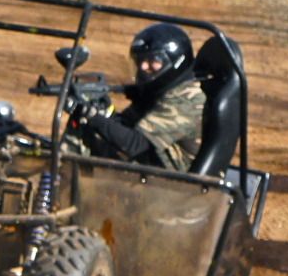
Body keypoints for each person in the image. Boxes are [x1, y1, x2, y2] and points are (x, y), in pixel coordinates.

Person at [75, 23, 206, 171]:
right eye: (141, 60)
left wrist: (93, 117)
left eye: (154, 60)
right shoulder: (164, 90)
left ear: (176, 61)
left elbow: (136, 144)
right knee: (91, 134)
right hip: (153, 165)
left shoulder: (185, 98)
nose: (143, 67)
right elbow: (128, 124)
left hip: (173, 183)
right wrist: (105, 112)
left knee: (92, 138)